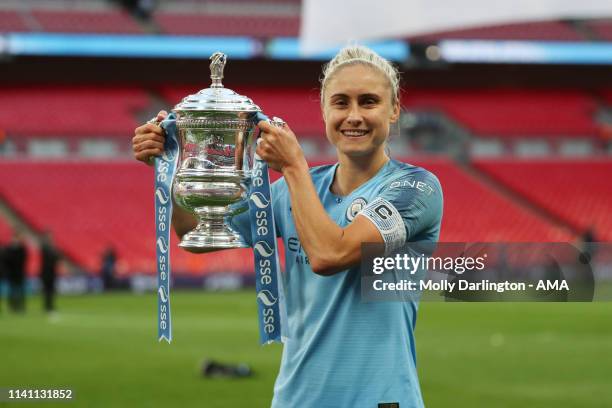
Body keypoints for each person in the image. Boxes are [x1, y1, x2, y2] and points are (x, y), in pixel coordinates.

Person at [133, 45, 443, 407]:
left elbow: (331, 254)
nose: (354, 116)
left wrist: (294, 167)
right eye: (341, 102)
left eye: (369, 101)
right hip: (296, 399)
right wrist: (173, 167)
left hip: (379, 399)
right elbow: (196, 234)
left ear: (394, 111)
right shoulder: (289, 191)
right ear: (325, 110)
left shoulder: (416, 188)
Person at [4, 230, 27, 313]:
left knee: (20, 291)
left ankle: (21, 307)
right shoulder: (8, 249)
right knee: (12, 291)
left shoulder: (22, 249)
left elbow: (24, 260)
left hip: (20, 273)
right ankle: (12, 307)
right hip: (11, 274)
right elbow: (6, 261)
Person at [40, 231, 60, 312]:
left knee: (51, 290)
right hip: (46, 272)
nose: (50, 238)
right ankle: (47, 306)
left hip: (52, 272)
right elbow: (54, 256)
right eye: (49, 236)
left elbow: (57, 257)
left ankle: (50, 305)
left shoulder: (51, 247)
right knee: (46, 290)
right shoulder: (45, 247)